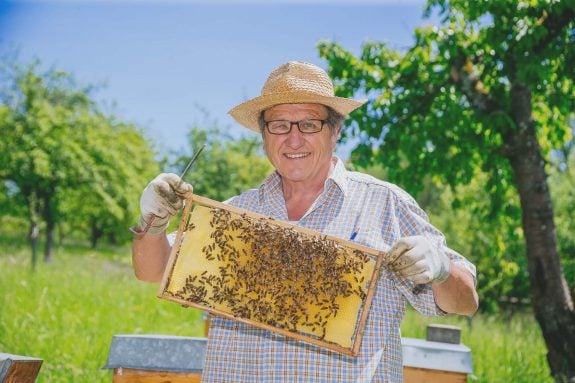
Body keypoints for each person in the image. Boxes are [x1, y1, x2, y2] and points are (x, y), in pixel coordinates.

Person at [132, 61, 478, 382]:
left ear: (335, 130)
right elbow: (153, 269)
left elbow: (465, 302)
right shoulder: (234, 215)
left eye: (309, 124)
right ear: (264, 134)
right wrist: (155, 222)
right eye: (280, 125)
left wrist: (442, 268)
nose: (293, 139)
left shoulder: (385, 203)